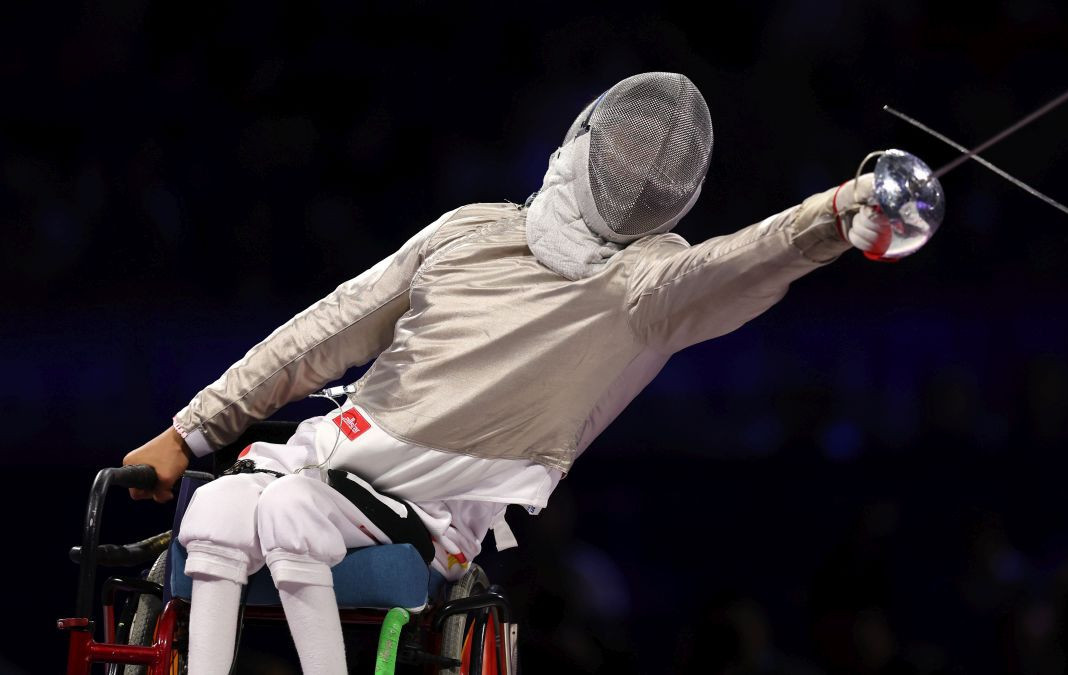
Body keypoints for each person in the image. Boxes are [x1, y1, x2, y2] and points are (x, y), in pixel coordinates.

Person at [122, 71, 903, 674]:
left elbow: (737, 262)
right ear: (584, 137)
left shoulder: (645, 288)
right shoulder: (468, 231)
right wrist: (191, 430)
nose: (634, 177)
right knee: (219, 512)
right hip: (335, 452)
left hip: (427, 503)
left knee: (290, 509)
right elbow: (324, 329)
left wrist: (828, 219)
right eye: (625, 153)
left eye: (652, 173)